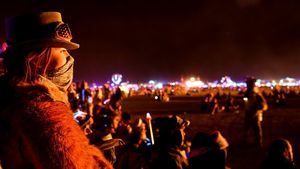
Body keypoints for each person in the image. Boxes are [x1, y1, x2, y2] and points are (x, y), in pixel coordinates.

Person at [0, 12, 112, 169]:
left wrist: (78, 144)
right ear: (35, 59)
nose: (69, 58)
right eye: (62, 50)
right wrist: (97, 159)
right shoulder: (43, 113)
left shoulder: (15, 98)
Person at [244, 77, 268, 148]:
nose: (248, 85)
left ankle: (258, 143)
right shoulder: (248, 92)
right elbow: (246, 102)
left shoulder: (256, 94)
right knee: (248, 128)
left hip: (255, 114)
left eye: (249, 83)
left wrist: (257, 109)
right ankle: (248, 142)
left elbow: (263, 105)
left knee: (256, 129)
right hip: (249, 113)